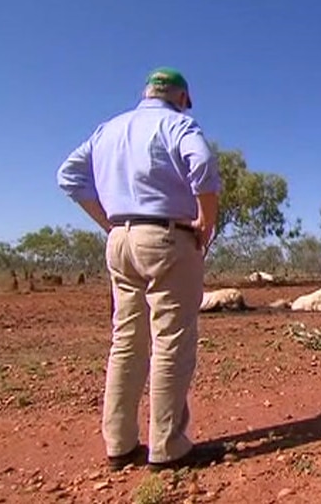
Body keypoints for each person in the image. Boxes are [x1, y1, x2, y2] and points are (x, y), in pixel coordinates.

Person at [57, 67, 226, 471]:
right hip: (168, 238)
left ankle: (120, 443)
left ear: (146, 92)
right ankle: (168, 447)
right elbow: (202, 165)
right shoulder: (178, 125)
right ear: (182, 97)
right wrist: (205, 224)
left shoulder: (108, 129)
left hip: (120, 241)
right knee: (171, 339)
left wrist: (110, 224)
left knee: (126, 340)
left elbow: (69, 176)